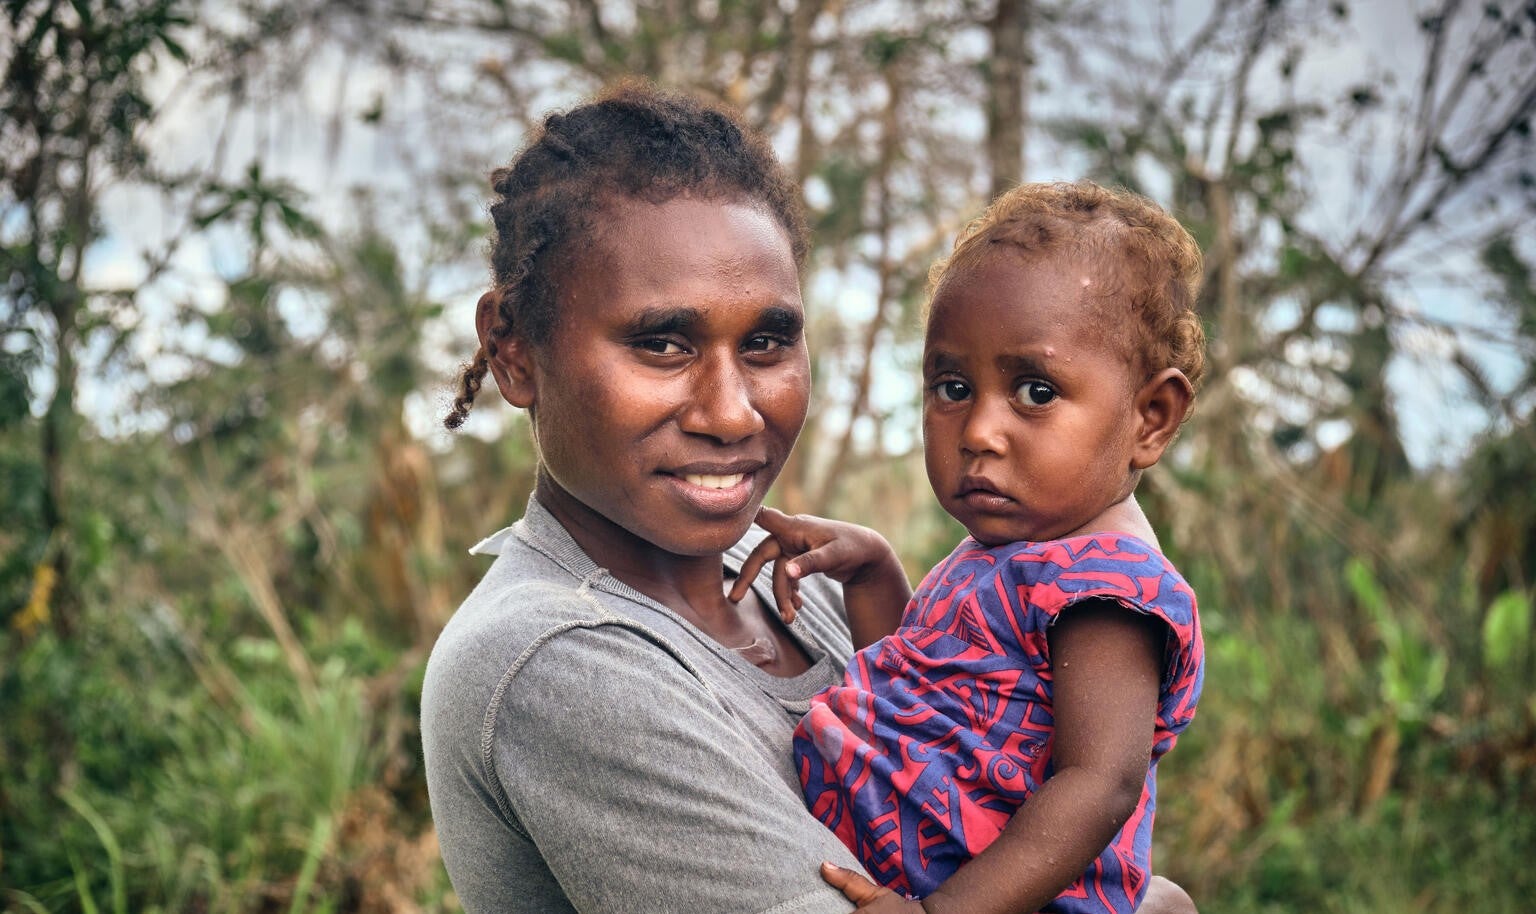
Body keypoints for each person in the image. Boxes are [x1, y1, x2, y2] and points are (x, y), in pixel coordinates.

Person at [421, 82, 1197, 914]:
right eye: (661, 343)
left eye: (766, 342)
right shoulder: (561, 664)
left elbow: (965, 736)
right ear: (512, 351)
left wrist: (871, 583)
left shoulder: (809, 587)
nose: (730, 411)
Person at [732, 181, 1206, 914]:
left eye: (1036, 392)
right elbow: (921, 708)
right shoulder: (1009, 553)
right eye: (951, 386)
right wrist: (874, 571)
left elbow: (1096, 785)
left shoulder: (1109, 592)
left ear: (1152, 417)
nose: (979, 430)